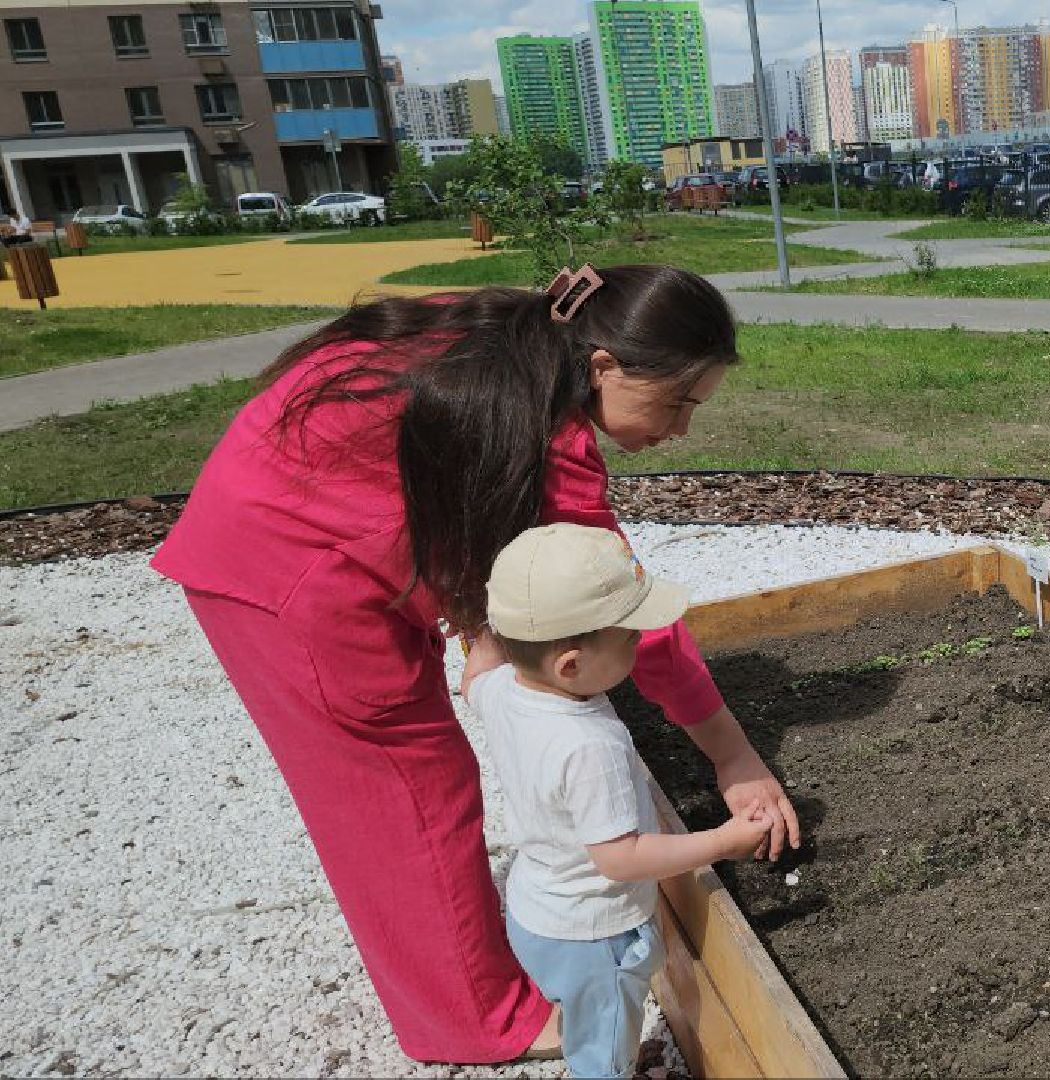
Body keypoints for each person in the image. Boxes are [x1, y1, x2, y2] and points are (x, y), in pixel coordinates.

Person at [150, 264, 802, 1064]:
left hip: (301, 536)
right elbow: (623, 610)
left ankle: (451, 971)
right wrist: (732, 758)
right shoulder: (548, 438)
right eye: (676, 403)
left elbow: (455, 487)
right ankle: (474, 1021)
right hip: (290, 577)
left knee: (413, 777)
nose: (681, 432)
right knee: (409, 788)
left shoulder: (520, 335)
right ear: (603, 366)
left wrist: (474, 628)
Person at [463, 522, 773, 1078]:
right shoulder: (591, 745)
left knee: (590, 1015)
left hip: (537, 911)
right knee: (604, 1053)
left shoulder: (504, 689)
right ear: (571, 665)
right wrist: (724, 841)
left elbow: (475, 671)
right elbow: (620, 857)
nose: (639, 642)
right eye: (630, 636)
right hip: (596, 934)